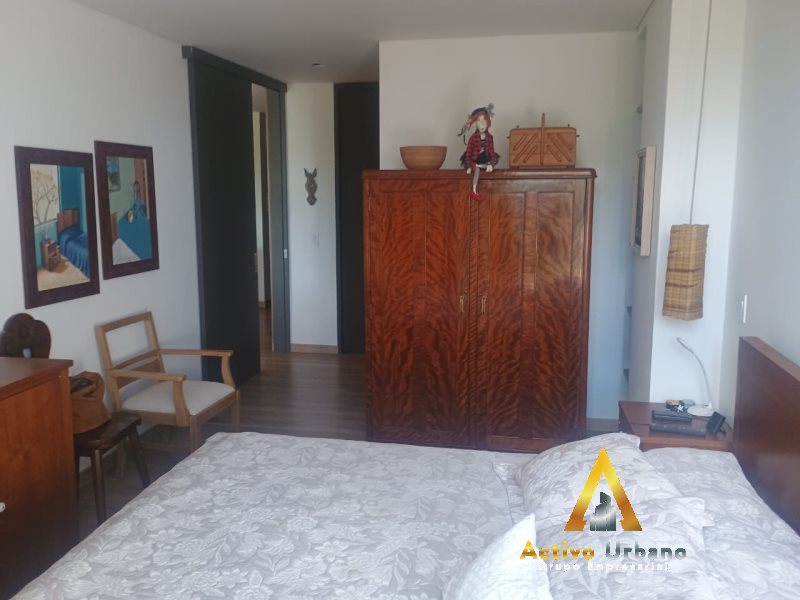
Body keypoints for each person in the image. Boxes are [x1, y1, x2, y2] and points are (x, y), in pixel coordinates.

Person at [458, 105, 499, 201]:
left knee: (487, 169)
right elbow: (469, 152)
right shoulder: (473, 138)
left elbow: (491, 152)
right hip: (475, 159)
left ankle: (486, 191)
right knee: (476, 170)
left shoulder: (490, 137)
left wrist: (491, 164)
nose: (482, 123)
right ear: (475, 123)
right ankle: (474, 190)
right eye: (479, 120)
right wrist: (468, 166)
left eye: (484, 120)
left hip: (485, 159)